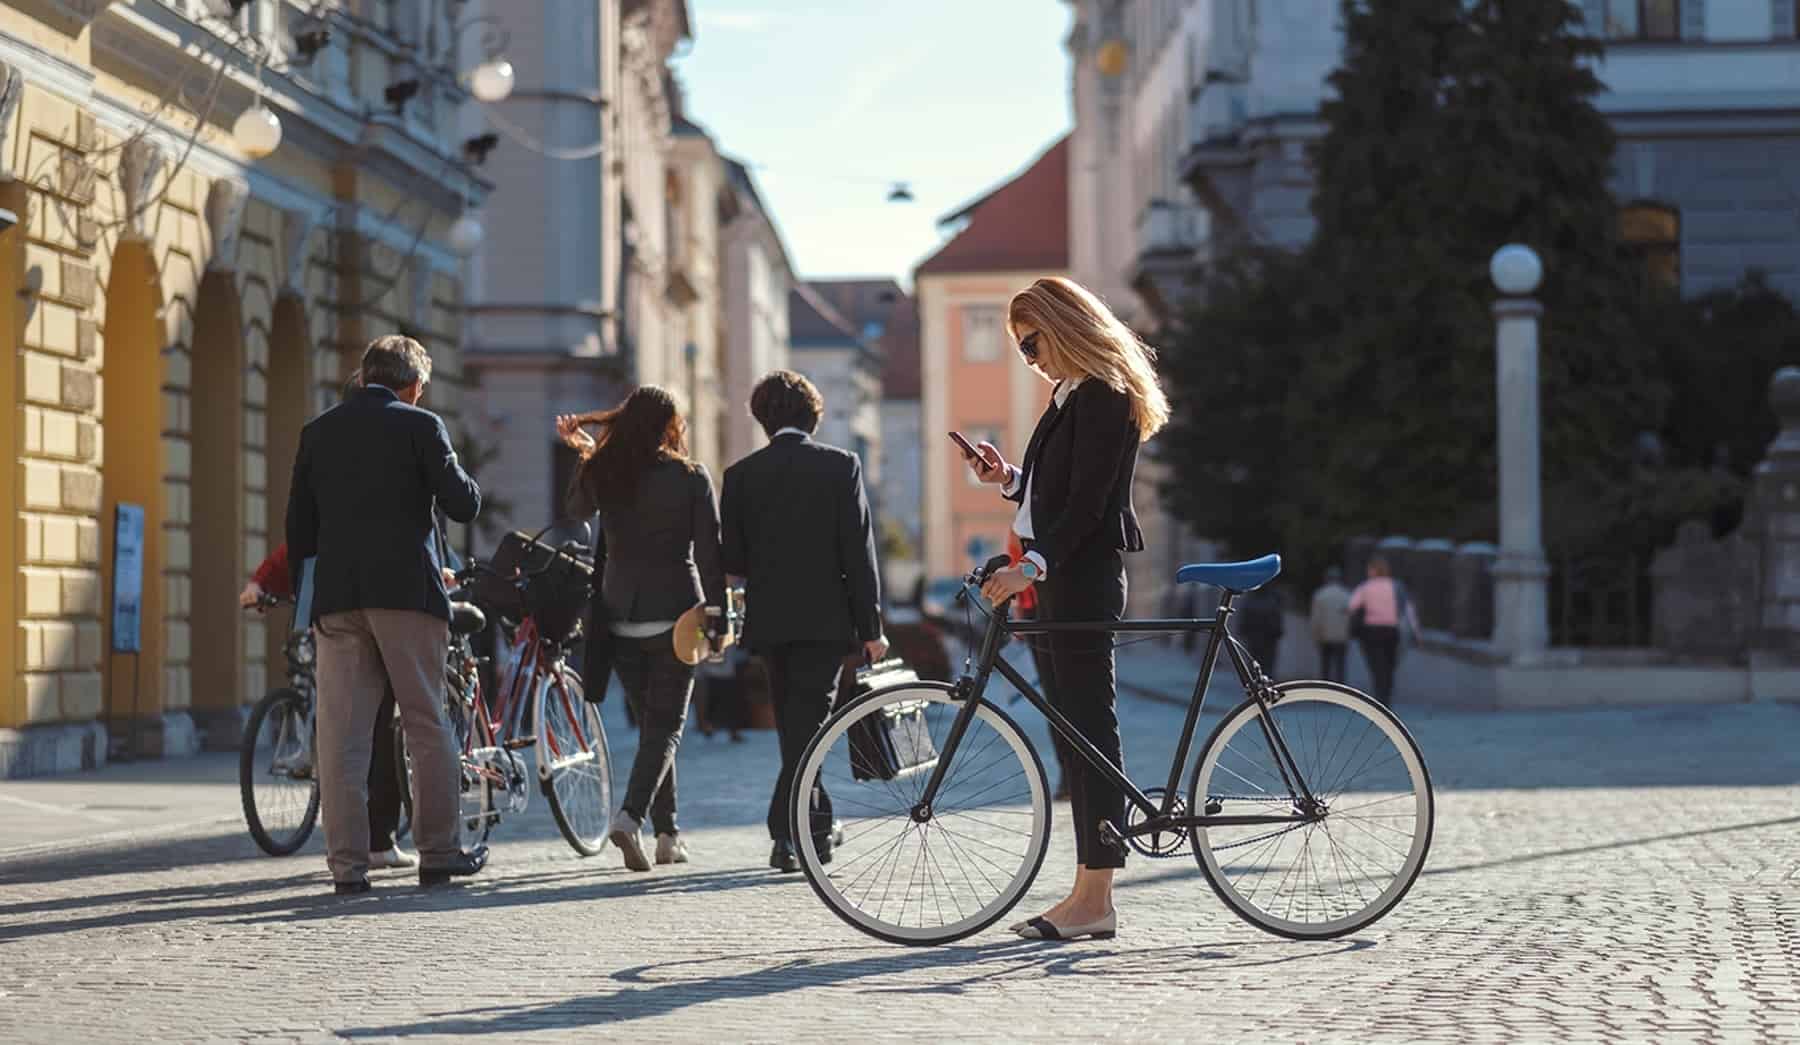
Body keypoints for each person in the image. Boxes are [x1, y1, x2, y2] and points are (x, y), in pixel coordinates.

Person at [965, 276, 1169, 943]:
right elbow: (1056, 493)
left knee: (1090, 735)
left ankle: (1097, 894)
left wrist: (1033, 562)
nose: (1030, 359)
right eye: (1022, 350)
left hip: (1081, 579)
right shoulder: (1071, 395)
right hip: (1057, 576)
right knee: (1075, 739)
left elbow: (1087, 506)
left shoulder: (1105, 393)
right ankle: (1088, 888)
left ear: (1063, 326)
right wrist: (1010, 481)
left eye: (1032, 343)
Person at [286, 335, 485, 894]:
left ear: (363, 375)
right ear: (415, 384)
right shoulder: (421, 426)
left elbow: (298, 530)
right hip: (407, 597)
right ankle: (439, 853)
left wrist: (313, 593)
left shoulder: (318, 431)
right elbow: (463, 503)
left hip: (339, 600)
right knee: (425, 724)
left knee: (342, 739)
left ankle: (348, 868)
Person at [721, 370, 886, 874]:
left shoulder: (740, 475)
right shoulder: (841, 466)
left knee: (796, 727)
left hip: (770, 620)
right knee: (807, 726)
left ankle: (808, 827)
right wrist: (871, 627)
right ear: (813, 415)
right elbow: (859, 554)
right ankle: (790, 833)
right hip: (826, 621)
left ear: (762, 418)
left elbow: (736, 558)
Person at [557, 386, 725, 872]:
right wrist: (718, 619)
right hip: (679, 615)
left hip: (620, 616)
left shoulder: (607, 471)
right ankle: (631, 817)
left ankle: (668, 834)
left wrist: (586, 455)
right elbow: (710, 554)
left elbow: (575, 511)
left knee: (653, 725)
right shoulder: (690, 476)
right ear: (671, 425)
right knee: (666, 727)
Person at [240, 542, 414, 870]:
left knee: (377, 720)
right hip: (327, 613)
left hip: (352, 610)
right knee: (312, 676)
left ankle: (374, 840)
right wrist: (259, 583)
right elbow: (295, 545)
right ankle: (369, 844)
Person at [1008, 530, 1069, 802]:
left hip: (1052, 599)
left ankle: (1074, 775)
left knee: (1062, 696)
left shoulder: (1036, 508)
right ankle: (1068, 774)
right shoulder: (1024, 507)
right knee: (1054, 698)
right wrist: (1020, 606)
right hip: (1034, 605)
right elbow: (1014, 554)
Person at [1348, 556, 1420, 706]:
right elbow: (1408, 610)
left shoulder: (1365, 587)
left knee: (1376, 665)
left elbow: (1352, 606)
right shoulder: (1396, 586)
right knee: (1389, 665)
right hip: (1391, 631)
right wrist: (1416, 632)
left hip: (1371, 632)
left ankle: (1379, 697)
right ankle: (1386, 698)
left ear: (1373, 570)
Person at [1310, 566, 1352, 683]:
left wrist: (1315, 635)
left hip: (1325, 636)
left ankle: (1326, 691)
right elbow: (1350, 617)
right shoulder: (1346, 595)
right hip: (1342, 636)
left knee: (1325, 667)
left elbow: (1316, 618)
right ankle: (1341, 691)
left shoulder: (1320, 595)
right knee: (1340, 667)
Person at [1236, 587, 1284, 678]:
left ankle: (1257, 681)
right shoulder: (1272, 598)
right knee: (1263, 663)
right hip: (1263, 637)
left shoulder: (1252, 599)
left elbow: (1245, 617)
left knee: (1257, 662)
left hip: (1262, 636)